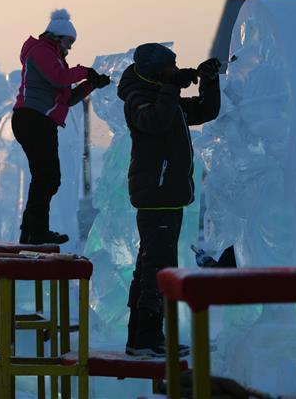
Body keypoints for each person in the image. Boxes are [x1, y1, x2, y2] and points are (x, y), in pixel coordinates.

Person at [117, 43, 221, 357]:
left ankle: (141, 337)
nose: (175, 71)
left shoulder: (163, 95)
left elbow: (205, 111)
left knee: (151, 265)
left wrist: (208, 80)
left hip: (167, 195)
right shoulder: (139, 98)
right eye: (170, 66)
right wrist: (171, 87)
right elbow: (155, 121)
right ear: (154, 70)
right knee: (157, 268)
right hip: (155, 194)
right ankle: (147, 338)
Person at [12, 9, 110, 244]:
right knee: (47, 177)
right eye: (69, 41)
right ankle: (36, 232)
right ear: (57, 36)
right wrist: (85, 71)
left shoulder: (55, 59)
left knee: (44, 178)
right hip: (32, 119)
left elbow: (67, 99)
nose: (70, 47)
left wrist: (91, 84)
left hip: (39, 121)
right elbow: (59, 77)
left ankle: (31, 232)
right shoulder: (41, 51)